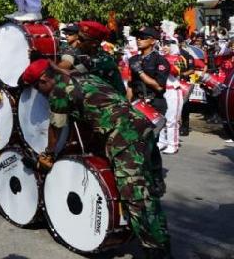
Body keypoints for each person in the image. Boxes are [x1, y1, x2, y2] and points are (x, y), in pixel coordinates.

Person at [20, 59, 171, 258]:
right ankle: (158, 238)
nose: (41, 94)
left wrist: (48, 154)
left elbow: (56, 126)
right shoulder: (82, 76)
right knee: (151, 188)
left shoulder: (59, 90)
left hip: (124, 137)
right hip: (142, 127)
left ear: (45, 79)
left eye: (39, 89)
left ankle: (156, 251)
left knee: (136, 198)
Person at [127, 26, 168, 194]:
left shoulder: (160, 61)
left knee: (150, 142)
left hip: (154, 103)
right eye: (137, 37)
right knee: (136, 143)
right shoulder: (133, 59)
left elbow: (159, 86)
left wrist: (141, 72)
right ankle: (140, 177)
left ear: (153, 40)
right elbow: (131, 84)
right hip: (137, 104)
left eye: (143, 37)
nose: (139, 40)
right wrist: (125, 103)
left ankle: (157, 180)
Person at [67, 21, 126, 94]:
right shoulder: (87, 56)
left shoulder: (100, 61)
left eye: (82, 39)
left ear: (94, 44)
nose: (78, 41)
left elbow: (71, 73)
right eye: (78, 38)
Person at [159, 40, 185, 154]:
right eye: (163, 45)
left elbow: (176, 72)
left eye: (168, 45)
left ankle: (173, 144)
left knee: (171, 120)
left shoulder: (179, 58)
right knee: (160, 118)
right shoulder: (159, 57)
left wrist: (163, 61)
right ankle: (162, 141)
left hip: (173, 91)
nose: (164, 47)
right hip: (161, 91)